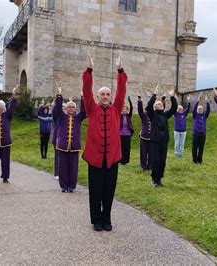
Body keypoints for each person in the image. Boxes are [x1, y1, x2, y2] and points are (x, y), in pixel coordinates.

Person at [82, 52, 127, 232]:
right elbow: (86, 90)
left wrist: (120, 69)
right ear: (98, 97)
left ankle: (106, 218)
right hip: (95, 158)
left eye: (108, 94)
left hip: (112, 158)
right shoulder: (91, 109)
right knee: (96, 191)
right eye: (103, 94)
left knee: (109, 191)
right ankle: (96, 220)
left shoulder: (116, 109)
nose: (106, 96)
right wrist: (89, 70)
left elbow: (122, 90)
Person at [53, 89, 86, 192]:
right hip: (63, 146)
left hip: (74, 146)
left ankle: (71, 186)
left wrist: (82, 98)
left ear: (75, 109)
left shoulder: (78, 117)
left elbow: (84, 111)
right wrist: (59, 96)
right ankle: (63, 186)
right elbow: (58, 109)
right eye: (69, 107)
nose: (71, 108)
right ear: (66, 109)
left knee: (73, 168)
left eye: (72, 107)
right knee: (62, 167)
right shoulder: (62, 117)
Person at [146, 85, 177, 187]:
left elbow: (174, 108)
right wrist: (154, 95)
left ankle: (159, 179)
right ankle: (154, 180)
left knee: (162, 161)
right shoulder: (152, 115)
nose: (161, 105)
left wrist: (172, 97)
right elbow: (149, 106)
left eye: (161, 104)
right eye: (158, 104)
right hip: (155, 141)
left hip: (164, 142)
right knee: (156, 161)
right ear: (155, 107)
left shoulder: (165, 115)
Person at [192, 95, 210, 164]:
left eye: (201, 109)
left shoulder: (205, 116)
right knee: (194, 148)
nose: (200, 110)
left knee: (201, 148)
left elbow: (208, 110)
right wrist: (197, 101)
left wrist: (207, 102)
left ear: (203, 110)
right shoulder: (195, 115)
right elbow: (194, 109)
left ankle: (200, 160)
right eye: (199, 109)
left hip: (202, 134)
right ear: (197, 110)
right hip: (195, 134)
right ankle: (195, 160)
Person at [137, 95, 151, 171]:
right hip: (144, 137)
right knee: (143, 153)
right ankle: (143, 166)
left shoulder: (154, 115)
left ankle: (150, 166)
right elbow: (140, 110)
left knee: (151, 153)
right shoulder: (144, 115)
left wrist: (163, 101)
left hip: (152, 137)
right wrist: (139, 101)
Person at [119, 96, 133, 165]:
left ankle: (126, 161)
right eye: (123, 109)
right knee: (121, 148)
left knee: (127, 148)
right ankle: (121, 161)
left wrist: (130, 101)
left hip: (127, 134)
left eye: (126, 109)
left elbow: (131, 109)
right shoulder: (119, 116)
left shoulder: (128, 116)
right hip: (120, 134)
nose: (124, 110)